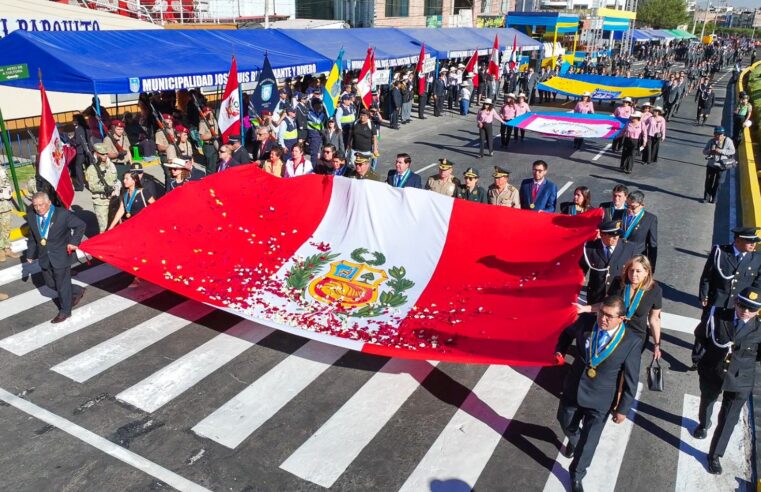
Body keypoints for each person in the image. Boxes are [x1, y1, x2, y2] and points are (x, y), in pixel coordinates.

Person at [554, 295, 642, 492]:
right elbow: (566, 333)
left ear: (622, 319)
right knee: (565, 420)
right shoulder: (586, 322)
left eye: (610, 316)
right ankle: (574, 440)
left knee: (589, 442)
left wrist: (623, 409)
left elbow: (631, 379)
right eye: (602, 313)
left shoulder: (631, 342)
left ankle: (576, 474)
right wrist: (560, 350)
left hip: (601, 399)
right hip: (574, 388)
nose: (603, 319)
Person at [691, 287, 761, 475]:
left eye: (752, 309)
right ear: (735, 302)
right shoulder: (718, 315)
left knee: (729, 419)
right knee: (708, 400)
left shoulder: (759, 327)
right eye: (742, 305)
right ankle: (704, 424)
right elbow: (701, 335)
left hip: (741, 379)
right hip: (713, 371)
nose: (745, 311)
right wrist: (700, 359)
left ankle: (714, 456)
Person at [24, 192, 87, 323]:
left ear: (49, 203)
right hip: (44, 256)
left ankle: (65, 311)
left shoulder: (62, 214)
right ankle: (77, 290)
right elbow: (33, 237)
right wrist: (30, 254)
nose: (38, 208)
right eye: (35, 206)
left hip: (61, 255)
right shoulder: (31, 217)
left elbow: (80, 225)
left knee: (62, 284)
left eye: (41, 205)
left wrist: (74, 242)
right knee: (51, 284)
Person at [699, 226, 761, 310]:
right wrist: (704, 295)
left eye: (755, 241)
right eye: (749, 241)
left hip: (739, 306)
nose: (753, 244)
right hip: (717, 302)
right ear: (738, 241)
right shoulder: (720, 252)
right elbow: (707, 276)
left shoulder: (757, 259)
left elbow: (757, 284)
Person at [580, 220, 639, 306]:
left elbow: (636, 269)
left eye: (618, 234)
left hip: (618, 295)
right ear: (602, 234)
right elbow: (581, 271)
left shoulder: (629, 248)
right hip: (596, 295)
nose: (616, 237)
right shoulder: (590, 248)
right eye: (612, 235)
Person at [85, 143, 120, 233]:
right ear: (96, 154)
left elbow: (115, 180)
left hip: (113, 199)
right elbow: (92, 187)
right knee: (104, 228)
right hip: (101, 202)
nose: (105, 156)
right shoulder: (92, 169)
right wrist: (104, 189)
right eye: (102, 154)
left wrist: (117, 187)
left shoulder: (111, 165)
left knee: (116, 225)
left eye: (106, 154)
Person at [621, 190, 658, 271]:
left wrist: (651, 268)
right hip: (619, 257)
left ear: (642, 205)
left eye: (633, 207)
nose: (629, 210)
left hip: (636, 261)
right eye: (627, 206)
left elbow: (652, 245)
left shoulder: (650, 219)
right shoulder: (620, 214)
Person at [703, 126, 736, 204]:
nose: (718, 136)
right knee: (708, 181)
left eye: (720, 134)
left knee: (719, 183)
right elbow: (704, 151)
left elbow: (732, 151)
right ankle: (706, 197)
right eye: (716, 134)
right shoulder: (711, 141)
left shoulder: (728, 141)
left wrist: (721, 151)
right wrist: (710, 151)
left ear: (723, 134)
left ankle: (714, 198)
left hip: (722, 166)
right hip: (711, 164)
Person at [0, 164, 21, 265]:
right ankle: (1, 250)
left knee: (6, 227)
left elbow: (7, 185)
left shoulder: (3, 171)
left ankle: (7, 248)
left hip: (5, 204)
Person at [70, 113, 91, 191]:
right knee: (88, 167)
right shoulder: (86, 127)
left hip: (81, 151)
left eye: (74, 120)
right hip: (88, 150)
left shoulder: (78, 128)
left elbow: (78, 141)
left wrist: (71, 141)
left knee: (78, 167)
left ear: (77, 121)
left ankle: (80, 185)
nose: (72, 121)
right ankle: (90, 183)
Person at [198, 105, 219, 173]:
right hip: (208, 146)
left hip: (216, 144)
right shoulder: (202, 123)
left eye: (210, 112)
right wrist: (212, 136)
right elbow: (201, 137)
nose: (209, 113)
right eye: (207, 112)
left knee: (216, 164)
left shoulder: (214, 120)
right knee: (210, 166)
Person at [306, 98, 328, 164]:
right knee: (314, 154)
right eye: (319, 104)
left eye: (320, 104)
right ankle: (313, 169)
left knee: (321, 153)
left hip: (320, 135)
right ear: (314, 105)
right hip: (314, 136)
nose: (320, 106)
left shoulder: (320, 113)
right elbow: (318, 121)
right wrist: (324, 113)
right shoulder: (310, 113)